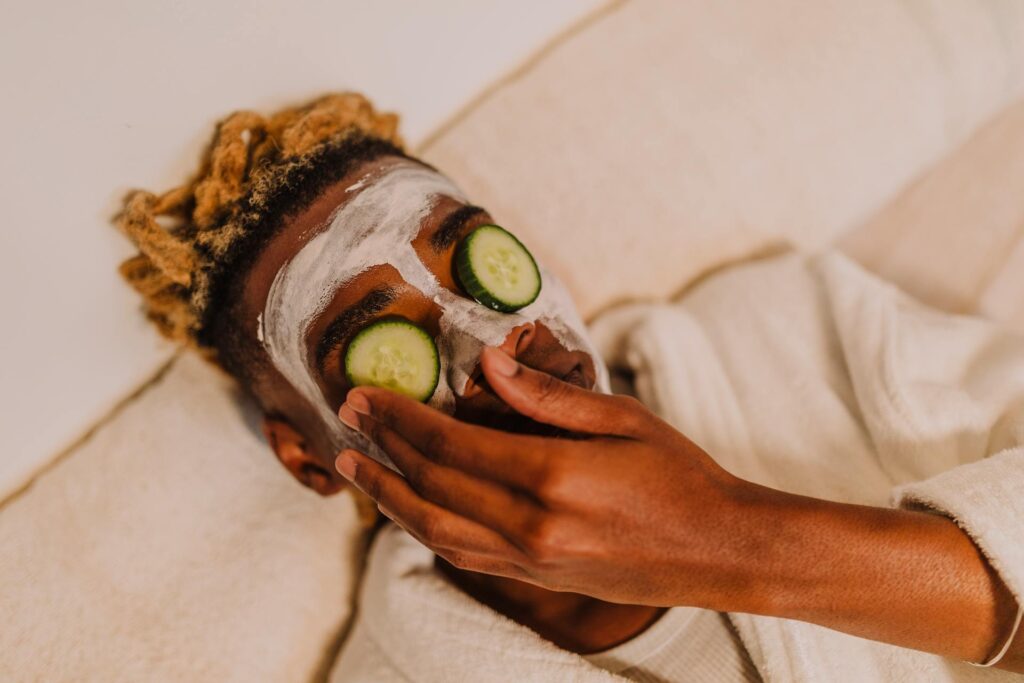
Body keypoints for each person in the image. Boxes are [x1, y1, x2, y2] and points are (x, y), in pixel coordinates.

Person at [117, 92, 1022, 680]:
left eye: (479, 260)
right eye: (379, 341)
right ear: (313, 463)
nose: (490, 335)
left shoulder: (792, 332)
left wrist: (727, 539)